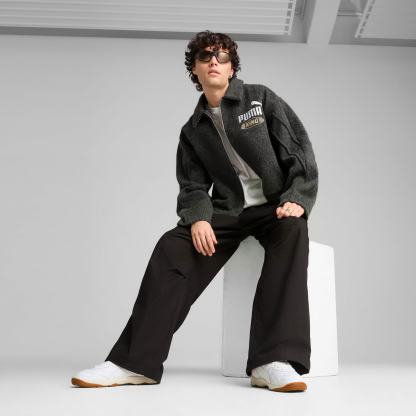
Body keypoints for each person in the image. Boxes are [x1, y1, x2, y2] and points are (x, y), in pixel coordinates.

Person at [71, 30, 319, 393]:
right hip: (229, 211)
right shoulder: (193, 130)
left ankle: (272, 361)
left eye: (222, 56)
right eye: (205, 56)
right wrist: (199, 217)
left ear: (232, 67)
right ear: (195, 70)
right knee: (171, 247)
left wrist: (297, 195)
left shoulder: (260, 99)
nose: (214, 61)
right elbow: (192, 184)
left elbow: (298, 150)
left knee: (294, 231)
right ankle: (133, 363)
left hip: (275, 206)